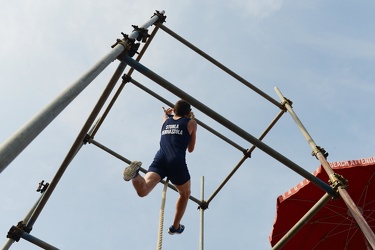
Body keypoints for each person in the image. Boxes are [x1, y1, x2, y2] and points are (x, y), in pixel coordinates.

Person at [123, 99, 197, 235]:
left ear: (174, 110)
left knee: (143, 190)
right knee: (185, 193)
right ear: (188, 113)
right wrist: (191, 122)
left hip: (160, 159)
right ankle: (175, 226)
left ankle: (135, 175)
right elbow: (191, 149)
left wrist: (166, 114)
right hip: (176, 161)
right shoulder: (191, 123)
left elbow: (165, 116)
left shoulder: (165, 121)